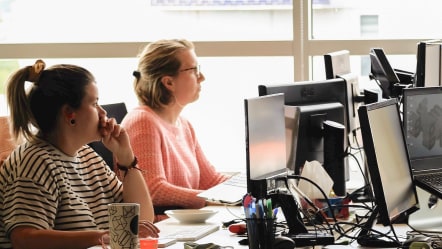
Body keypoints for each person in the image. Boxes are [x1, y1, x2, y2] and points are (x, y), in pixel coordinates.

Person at [0, 60, 159, 249]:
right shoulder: (33, 163)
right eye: (95, 103)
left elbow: (141, 221)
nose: (103, 112)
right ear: (69, 113)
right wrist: (103, 236)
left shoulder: (87, 156)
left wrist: (126, 158)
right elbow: (25, 238)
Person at [122, 39, 229, 221]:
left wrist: (249, 188)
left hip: (185, 224)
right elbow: (152, 189)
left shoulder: (184, 124)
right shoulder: (142, 122)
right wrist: (209, 200)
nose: (201, 77)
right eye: (194, 70)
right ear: (168, 82)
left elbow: (210, 180)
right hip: (162, 230)